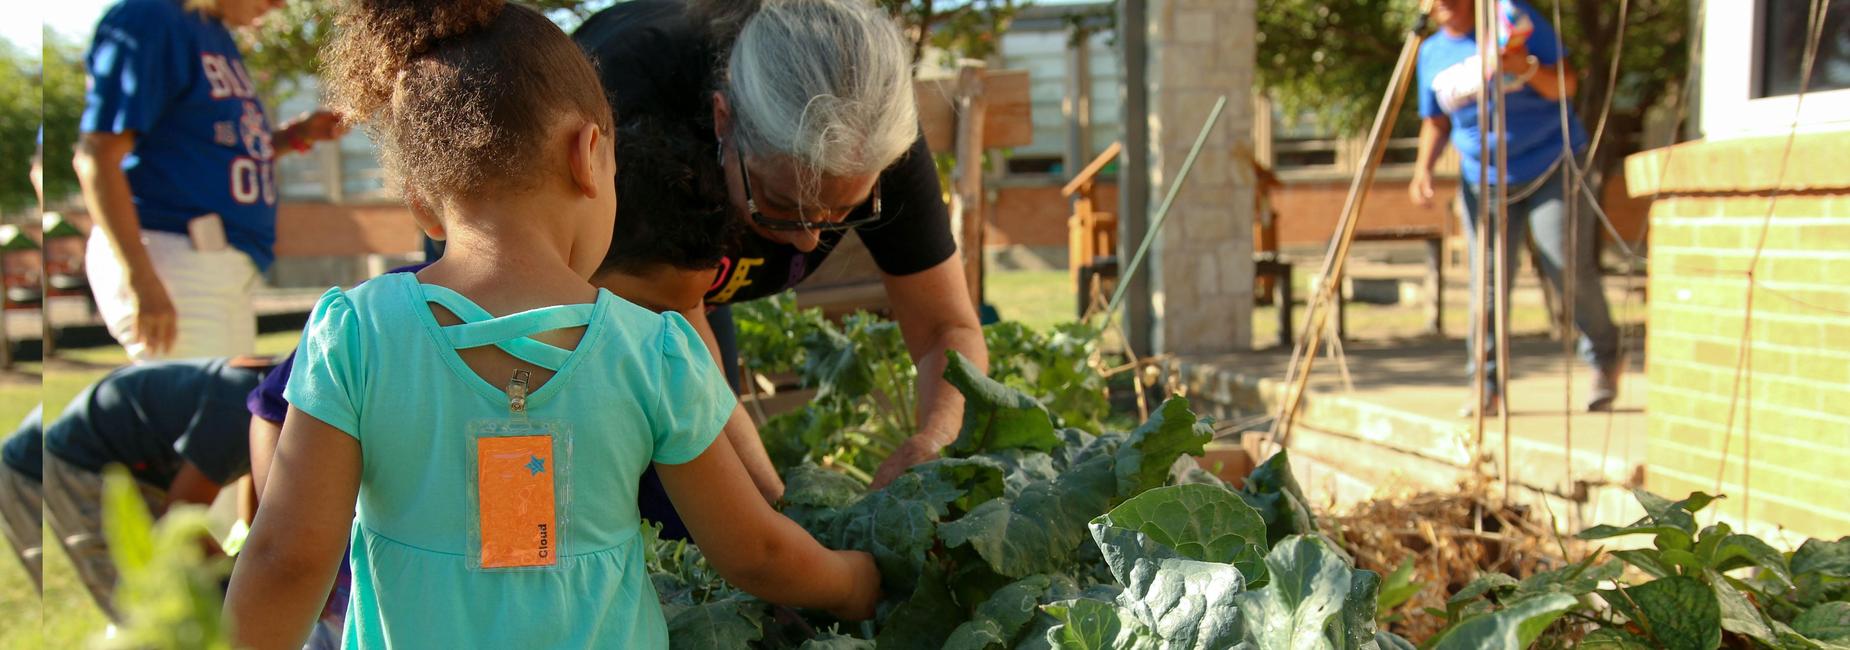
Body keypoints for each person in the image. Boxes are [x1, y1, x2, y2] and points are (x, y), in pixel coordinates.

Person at [222, 2, 880, 648]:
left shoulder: (356, 335)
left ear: (422, 202)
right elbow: (756, 553)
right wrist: (857, 582)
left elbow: (288, 559)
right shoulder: (655, 355)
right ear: (588, 153)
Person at [573, 0, 990, 491]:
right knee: (638, 493)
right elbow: (677, 326)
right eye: (779, 201)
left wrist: (936, 444)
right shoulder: (639, 105)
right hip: (571, 291)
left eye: (841, 210)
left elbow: (947, 327)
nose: (808, 237)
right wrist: (783, 518)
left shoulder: (872, 133)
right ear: (722, 121)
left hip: (689, 297)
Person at [74, 0, 345, 362]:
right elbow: (97, 156)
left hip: (213, 262)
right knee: (203, 412)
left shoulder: (211, 30)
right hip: (169, 257)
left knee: (230, 410)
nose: (280, 3)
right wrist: (142, 279)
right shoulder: (150, 16)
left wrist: (295, 135)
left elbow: (210, 148)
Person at [1408, 0, 1622, 415]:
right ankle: (1485, 386)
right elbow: (1435, 120)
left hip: (1551, 164)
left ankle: (1605, 358)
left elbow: (1566, 85)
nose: (1444, 4)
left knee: (1566, 265)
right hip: (1483, 179)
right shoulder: (1431, 52)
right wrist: (1423, 170)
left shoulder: (1513, 20)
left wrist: (1520, 64)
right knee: (1487, 283)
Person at [0, 357, 275, 619]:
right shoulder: (240, 411)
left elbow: (263, 477)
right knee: (151, 614)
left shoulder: (272, 395)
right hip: (50, 471)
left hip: (116, 466)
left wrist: (253, 546)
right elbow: (178, 516)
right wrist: (236, 577)